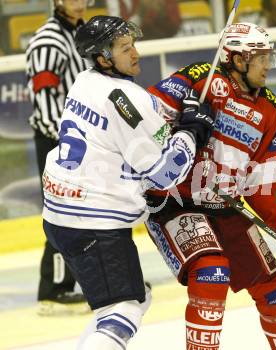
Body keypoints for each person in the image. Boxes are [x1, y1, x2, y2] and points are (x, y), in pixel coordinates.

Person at [41, 15, 215, 349]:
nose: (134, 52)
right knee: (124, 309)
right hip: (93, 222)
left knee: (126, 302)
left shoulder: (84, 81)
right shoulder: (127, 98)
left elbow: (122, 132)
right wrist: (194, 131)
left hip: (59, 215)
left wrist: (170, 128)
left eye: (132, 44)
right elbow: (166, 173)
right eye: (124, 48)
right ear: (104, 58)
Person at [145, 22, 276, 350]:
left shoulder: (270, 108)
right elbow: (141, 123)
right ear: (239, 60)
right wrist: (178, 130)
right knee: (212, 272)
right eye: (262, 58)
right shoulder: (199, 78)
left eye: (270, 57)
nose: (268, 65)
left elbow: (268, 177)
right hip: (176, 201)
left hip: (226, 206)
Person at [25, 0, 92, 316]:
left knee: (91, 211)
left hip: (83, 139)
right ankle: (53, 291)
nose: (81, 2)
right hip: (59, 141)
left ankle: (98, 282)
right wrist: (65, 143)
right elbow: (44, 98)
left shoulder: (82, 33)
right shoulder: (48, 40)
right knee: (63, 212)